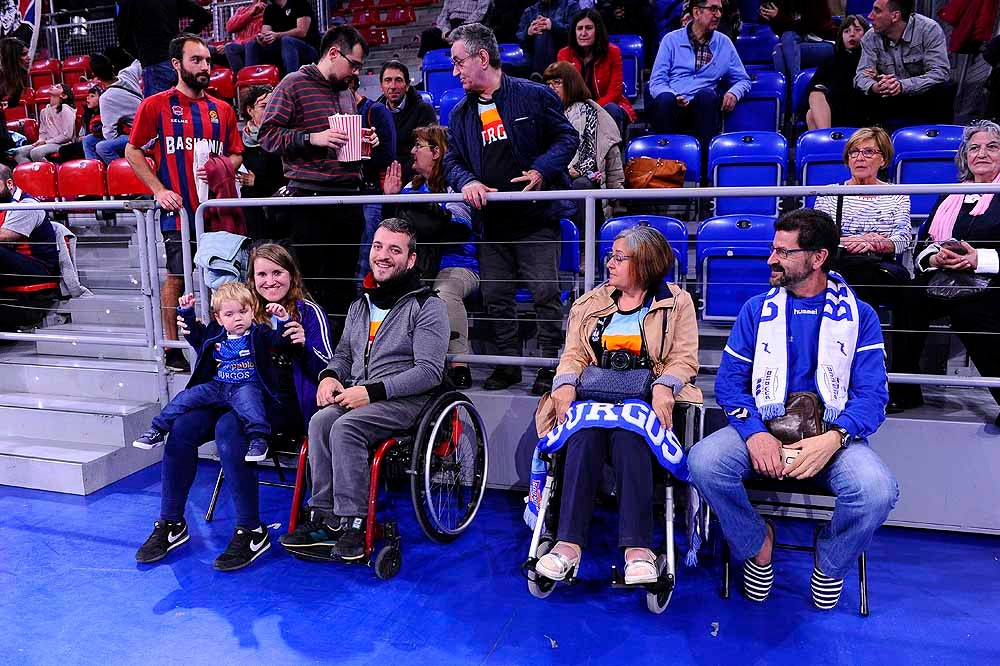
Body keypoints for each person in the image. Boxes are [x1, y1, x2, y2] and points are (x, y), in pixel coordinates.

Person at [687, 208, 899, 611]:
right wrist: (756, 434)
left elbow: (873, 396)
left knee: (877, 491)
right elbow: (731, 384)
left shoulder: (861, 317)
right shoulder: (756, 310)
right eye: (773, 249)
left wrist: (833, 439)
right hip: (765, 427)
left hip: (831, 435)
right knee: (704, 462)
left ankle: (831, 561)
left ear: (817, 258)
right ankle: (757, 541)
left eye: (783, 252)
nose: (771, 260)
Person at [134, 242, 334, 571]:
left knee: (230, 428)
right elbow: (213, 352)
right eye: (261, 274)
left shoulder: (305, 312)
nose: (270, 281)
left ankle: (251, 531)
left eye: (277, 273)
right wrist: (193, 332)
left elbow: (328, 369)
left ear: (291, 275)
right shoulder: (238, 305)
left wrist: (302, 346)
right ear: (252, 279)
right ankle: (171, 523)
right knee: (182, 429)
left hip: (280, 403)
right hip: (227, 392)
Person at [532, 224, 700, 584]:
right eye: (611, 256)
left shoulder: (677, 302)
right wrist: (563, 385)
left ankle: (637, 551)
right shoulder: (591, 302)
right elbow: (574, 355)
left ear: (644, 263)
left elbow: (684, 359)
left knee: (629, 437)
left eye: (619, 258)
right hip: (595, 399)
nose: (609, 263)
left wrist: (664, 387)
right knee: (584, 435)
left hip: (645, 399)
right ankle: (567, 546)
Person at [279, 218, 449, 561]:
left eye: (394, 250)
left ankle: (354, 523)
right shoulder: (361, 304)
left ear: (411, 260)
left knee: (345, 427)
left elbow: (429, 372)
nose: (383, 256)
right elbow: (343, 354)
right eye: (378, 246)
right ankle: (325, 516)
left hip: (407, 401)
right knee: (319, 421)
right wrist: (329, 375)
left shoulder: (428, 306)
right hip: (362, 395)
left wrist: (373, 392)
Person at [443, 23, 579, 394]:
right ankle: (508, 365)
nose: (454, 72)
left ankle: (550, 365)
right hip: (492, 224)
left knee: (545, 294)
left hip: (535, 219)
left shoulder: (532, 96)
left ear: (482, 58)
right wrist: (467, 181)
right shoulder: (459, 114)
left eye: (459, 62)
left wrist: (542, 169)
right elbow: (451, 161)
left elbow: (568, 136)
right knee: (496, 298)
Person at [126, 34, 244, 372]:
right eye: (196, 60)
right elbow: (132, 151)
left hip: (218, 211)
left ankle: (227, 343)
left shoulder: (222, 109)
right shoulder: (156, 105)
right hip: (178, 213)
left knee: (223, 278)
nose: (205, 67)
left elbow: (236, 153)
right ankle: (173, 347)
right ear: (177, 64)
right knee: (177, 277)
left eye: (207, 60)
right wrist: (159, 190)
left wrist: (223, 168)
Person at [258, 25, 372, 335]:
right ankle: (308, 353)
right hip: (310, 200)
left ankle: (337, 356)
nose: (355, 72)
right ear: (334, 53)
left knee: (343, 285)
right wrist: (313, 138)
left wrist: (363, 140)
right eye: (354, 64)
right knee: (309, 284)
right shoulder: (293, 84)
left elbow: (341, 143)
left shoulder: (346, 92)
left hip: (348, 197)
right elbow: (267, 136)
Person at [889, 120, 1000, 422]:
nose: (982, 154)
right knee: (908, 297)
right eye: (974, 148)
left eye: (992, 147)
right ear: (965, 156)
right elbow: (923, 243)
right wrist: (935, 259)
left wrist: (980, 260)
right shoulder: (950, 193)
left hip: (993, 280)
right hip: (946, 275)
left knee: (970, 312)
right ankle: (904, 391)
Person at [132, 282, 293, 463]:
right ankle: (158, 430)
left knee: (252, 407)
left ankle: (258, 440)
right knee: (185, 398)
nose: (237, 318)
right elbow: (194, 334)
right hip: (217, 386)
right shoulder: (215, 332)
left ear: (252, 311)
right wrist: (186, 312)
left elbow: (281, 341)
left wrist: (283, 319)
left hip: (246, 385)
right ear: (218, 318)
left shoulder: (259, 332)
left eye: (243, 311)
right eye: (229, 314)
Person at [382, 125, 480, 388]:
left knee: (443, 293)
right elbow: (394, 230)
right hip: (419, 267)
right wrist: (390, 200)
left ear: (436, 152)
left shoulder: (454, 186)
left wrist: (424, 213)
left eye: (419, 146)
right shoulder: (409, 188)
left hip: (457, 265)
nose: (412, 151)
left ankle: (459, 364)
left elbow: (459, 229)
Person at [813, 126, 911, 308]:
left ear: (883, 159)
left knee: (908, 291)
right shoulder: (830, 193)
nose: (859, 158)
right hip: (840, 264)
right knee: (859, 280)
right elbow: (820, 237)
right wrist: (859, 240)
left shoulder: (897, 194)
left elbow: (903, 238)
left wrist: (873, 245)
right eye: (854, 152)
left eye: (868, 152)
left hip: (879, 264)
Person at [647, 0, 750, 159]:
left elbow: (743, 80)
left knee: (707, 96)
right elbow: (656, 82)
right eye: (713, 9)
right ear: (696, 12)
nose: (718, 15)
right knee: (665, 100)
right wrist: (674, 96)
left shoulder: (724, 43)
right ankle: (666, 164)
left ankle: (703, 170)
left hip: (702, 108)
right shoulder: (671, 40)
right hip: (672, 106)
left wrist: (734, 93)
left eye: (720, 10)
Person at [542, 61, 623, 223]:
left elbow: (604, 161)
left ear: (571, 85)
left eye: (557, 83)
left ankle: (583, 247)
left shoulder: (595, 115)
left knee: (581, 185)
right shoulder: (540, 116)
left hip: (587, 183)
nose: (551, 88)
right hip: (552, 178)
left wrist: (616, 199)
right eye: (548, 84)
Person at [854, 0, 953, 127]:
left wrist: (901, 86)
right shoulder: (870, 37)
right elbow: (861, 76)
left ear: (895, 16)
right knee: (860, 93)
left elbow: (940, 73)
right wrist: (876, 86)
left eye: (877, 10)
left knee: (943, 89)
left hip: (923, 97)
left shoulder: (928, 30)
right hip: (887, 98)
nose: (870, 16)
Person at [557, 8, 636, 137]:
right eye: (579, 28)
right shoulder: (564, 54)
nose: (583, 33)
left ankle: (610, 155)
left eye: (588, 28)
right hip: (575, 108)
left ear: (597, 30)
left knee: (611, 110)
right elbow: (563, 90)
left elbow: (614, 92)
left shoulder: (613, 52)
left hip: (608, 106)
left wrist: (592, 109)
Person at [115, 0, 212, 97]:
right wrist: (182, 39)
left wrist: (143, 56)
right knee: (188, 108)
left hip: (155, 63)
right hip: (180, 62)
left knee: (158, 110)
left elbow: (123, 37)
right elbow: (204, 16)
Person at [376, 61, 437, 184]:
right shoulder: (374, 113)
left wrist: (397, 177)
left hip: (413, 178)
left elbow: (425, 155)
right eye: (388, 80)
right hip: (382, 178)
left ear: (407, 85)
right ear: (381, 86)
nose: (393, 86)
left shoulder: (424, 110)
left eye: (398, 80)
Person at [238, 85, 286, 240]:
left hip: (281, 210)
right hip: (253, 210)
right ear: (250, 110)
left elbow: (287, 177)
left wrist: (257, 181)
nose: (270, 110)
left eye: (274, 105)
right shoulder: (238, 140)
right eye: (264, 106)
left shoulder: (284, 136)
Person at [806, 14, 869, 130]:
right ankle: (827, 137)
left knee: (812, 116)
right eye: (847, 31)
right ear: (841, 36)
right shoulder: (830, 60)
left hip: (862, 110)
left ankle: (827, 142)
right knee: (814, 98)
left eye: (858, 30)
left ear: (867, 34)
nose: (852, 34)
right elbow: (812, 89)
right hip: (834, 111)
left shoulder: (871, 59)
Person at [0, 163, 59, 287]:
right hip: (14, 261)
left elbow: (4, 236)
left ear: (9, 184)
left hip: (39, 267)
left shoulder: (26, 205)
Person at [759, 0, 836, 94]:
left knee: (788, 37)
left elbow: (806, 26)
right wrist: (772, 18)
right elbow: (783, 32)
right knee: (778, 50)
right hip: (798, 45)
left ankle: (795, 88)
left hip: (826, 44)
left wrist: (779, 17)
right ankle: (788, 99)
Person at [245, 0, 321, 76]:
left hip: (307, 49)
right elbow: (265, 33)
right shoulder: (269, 9)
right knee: (251, 45)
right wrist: (262, 39)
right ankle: (249, 82)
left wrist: (278, 35)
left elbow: (302, 31)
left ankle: (291, 81)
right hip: (281, 48)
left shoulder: (300, 3)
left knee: (287, 40)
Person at [12, 84, 76, 164]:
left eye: (58, 87)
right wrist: (41, 140)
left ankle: (50, 173)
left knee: (35, 152)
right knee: (18, 152)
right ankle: (31, 174)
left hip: (63, 144)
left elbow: (67, 136)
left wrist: (46, 142)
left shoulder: (66, 109)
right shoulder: (44, 111)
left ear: (64, 95)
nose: (53, 86)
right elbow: (43, 132)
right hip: (47, 143)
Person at [95, 58, 142, 164]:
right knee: (88, 140)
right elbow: (138, 62)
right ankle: (97, 175)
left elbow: (109, 133)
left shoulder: (106, 98)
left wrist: (117, 140)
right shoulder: (127, 74)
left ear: (97, 77)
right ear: (112, 67)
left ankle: (124, 172)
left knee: (102, 147)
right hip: (131, 131)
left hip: (140, 134)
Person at [517, 0, 580, 76]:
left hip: (563, 59)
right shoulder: (529, 11)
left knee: (546, 32)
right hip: (533, 59)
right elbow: (520, 39)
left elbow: (577, 33)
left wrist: (553, 26)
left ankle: (542, 76)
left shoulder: (571, 6)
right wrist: (528, 32)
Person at [421, 0, 494, 56]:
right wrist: (445, 29)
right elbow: (443, 15)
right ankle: (425, 64)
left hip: (470, 24)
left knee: (466, 34)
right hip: (450, 26)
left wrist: (459, 29)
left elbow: (481, 12)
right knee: (427, 35)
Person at [221, 0, 267, 74]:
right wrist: (250, 13)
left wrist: (238, 43)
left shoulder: (269, 11)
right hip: (238, 46)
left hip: (256, 47)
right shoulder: (241, 10)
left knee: (248, 45)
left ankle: (244, 79)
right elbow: (230, 27)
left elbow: (262, 35)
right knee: (211, 50)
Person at [0, 37, 28, 157]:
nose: (28, 57)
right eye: (23, 54)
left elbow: (14, 101)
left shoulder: (20, 73)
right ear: (13, 57)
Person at [70, 85, 104, 162]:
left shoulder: (104, 113)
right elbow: (83, 131)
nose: (87, 98)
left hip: (101, 139)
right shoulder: (87, 114)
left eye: (92, 96)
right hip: (87, 139)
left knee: (65, 150)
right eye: (87, 96)